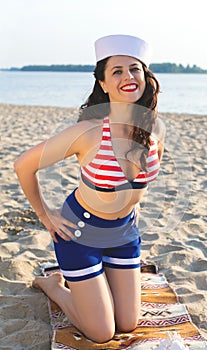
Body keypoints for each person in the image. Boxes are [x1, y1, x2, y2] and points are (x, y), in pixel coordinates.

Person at [14, 34, 165, 343]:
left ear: (146, 77)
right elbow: (23, 165)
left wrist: (131, 207)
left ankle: (97, 286)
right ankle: (54, 285)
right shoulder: (89, 132)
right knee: (101, 332)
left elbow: (140, 181)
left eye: (135, 69)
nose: (128, 77)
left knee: (127, 323)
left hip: (123, 234)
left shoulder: (154, 130)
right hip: (79, 233)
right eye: (117, 71)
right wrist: (47, 216)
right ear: (103, 84)